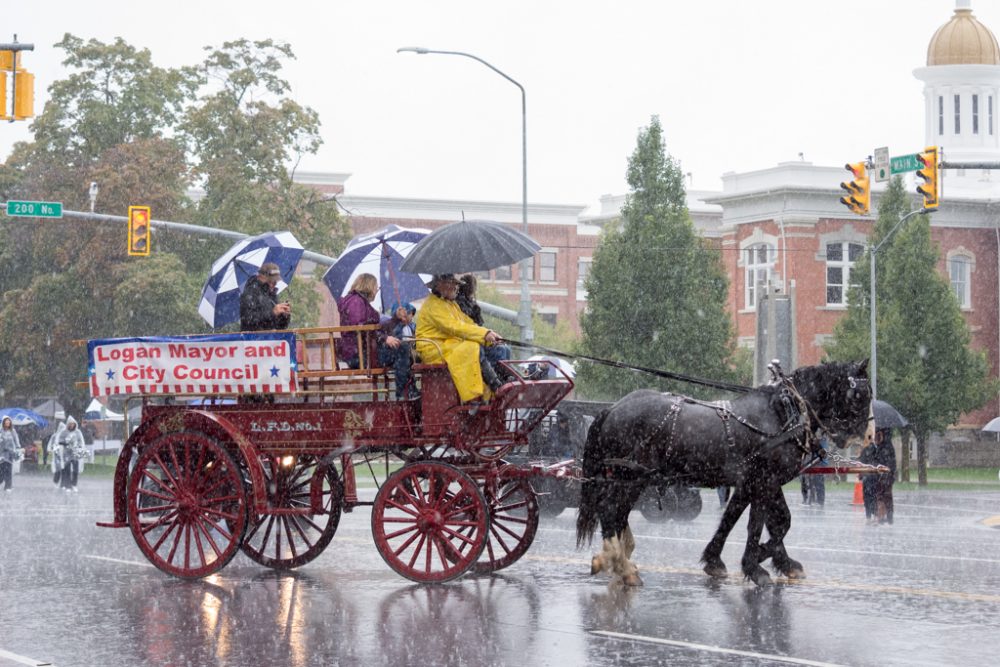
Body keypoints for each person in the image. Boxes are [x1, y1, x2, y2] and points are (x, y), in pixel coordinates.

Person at [415, 274, 507, 403]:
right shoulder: (433, 305)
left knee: (500, 349)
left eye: (456, 284)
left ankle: (504, 383)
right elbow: (455, 327)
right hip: (434, 349)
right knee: (473, 348)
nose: (456, 287)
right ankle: (494, 387)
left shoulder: (450, 304)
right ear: (440, 285)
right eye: (453, 283)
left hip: (449, 345)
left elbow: (467, 322)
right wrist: (483, 334)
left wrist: (489, 333)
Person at [456, 274, 514, 382]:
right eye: (473, 286)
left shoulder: (471, 303)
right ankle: (495, 378)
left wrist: (491, 334)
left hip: (477, 336)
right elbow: (469, 326)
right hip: (469, 340)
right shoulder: (459, 303)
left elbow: (478, 326)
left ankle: (505, 376)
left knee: (505, 348)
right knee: (497, 351)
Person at [336, 273, 391, 369]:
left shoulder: (360, 302)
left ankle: (406, 382)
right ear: (369, 287)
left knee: (400, 350)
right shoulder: (357, 302)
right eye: (376, 288)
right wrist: (383, 338)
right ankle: (406, 383)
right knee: (401, 351)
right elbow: (361, 327)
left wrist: (396, 319)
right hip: (359, 354)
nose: (376, 291)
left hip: (362, 351)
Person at [378, 302, 418, 399]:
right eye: (409, 314)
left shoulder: (411, 326)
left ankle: (410, 389)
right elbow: (380, 335)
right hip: (392, 354)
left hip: (404, 355)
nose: (411, 317)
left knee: (407, 358)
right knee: (403, 357)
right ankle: (404, 391)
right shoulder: (389, 324)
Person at [240, 262, 291, 332]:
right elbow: (248, 320)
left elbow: (280, 327)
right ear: (261, 277)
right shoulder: (250, 293)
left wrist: (284, 316)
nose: (275, 284)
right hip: (253, 340)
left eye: (276, 281)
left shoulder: (272, 295)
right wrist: (272, 313)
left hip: (270, 340)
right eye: (272, 281)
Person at [55, 416, 87, 493]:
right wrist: (66, 443)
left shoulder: (78, 432)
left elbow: (80, 442)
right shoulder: (64, 432)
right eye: (70, 424)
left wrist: (78, 446)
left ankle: (74, 484)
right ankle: (67, 485)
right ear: (68, 424)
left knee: (75, 470)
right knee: (67, 470)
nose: (72, 425)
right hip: (66, 454)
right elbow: (60, 441)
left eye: (73, 424)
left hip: (75, 454)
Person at [871, 427, 896, 524]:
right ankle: (884, 515)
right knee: (882, 496)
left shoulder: (886, 446)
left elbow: (889, 462)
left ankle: (885, 515)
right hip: (881, 475)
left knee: (884, 496)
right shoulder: (880, 446)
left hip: (885, 475)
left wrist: (886, 474)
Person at [0, 416, 21, 493]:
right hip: (1, 454)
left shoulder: (13, 431)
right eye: (6, 421)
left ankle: (8, 486)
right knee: (1, 471)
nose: (7, 423)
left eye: (9, 421)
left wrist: (18, 448)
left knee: (8, 470)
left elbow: (16, 440)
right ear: (3, 422)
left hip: (10, 454)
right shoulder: (0, 431)